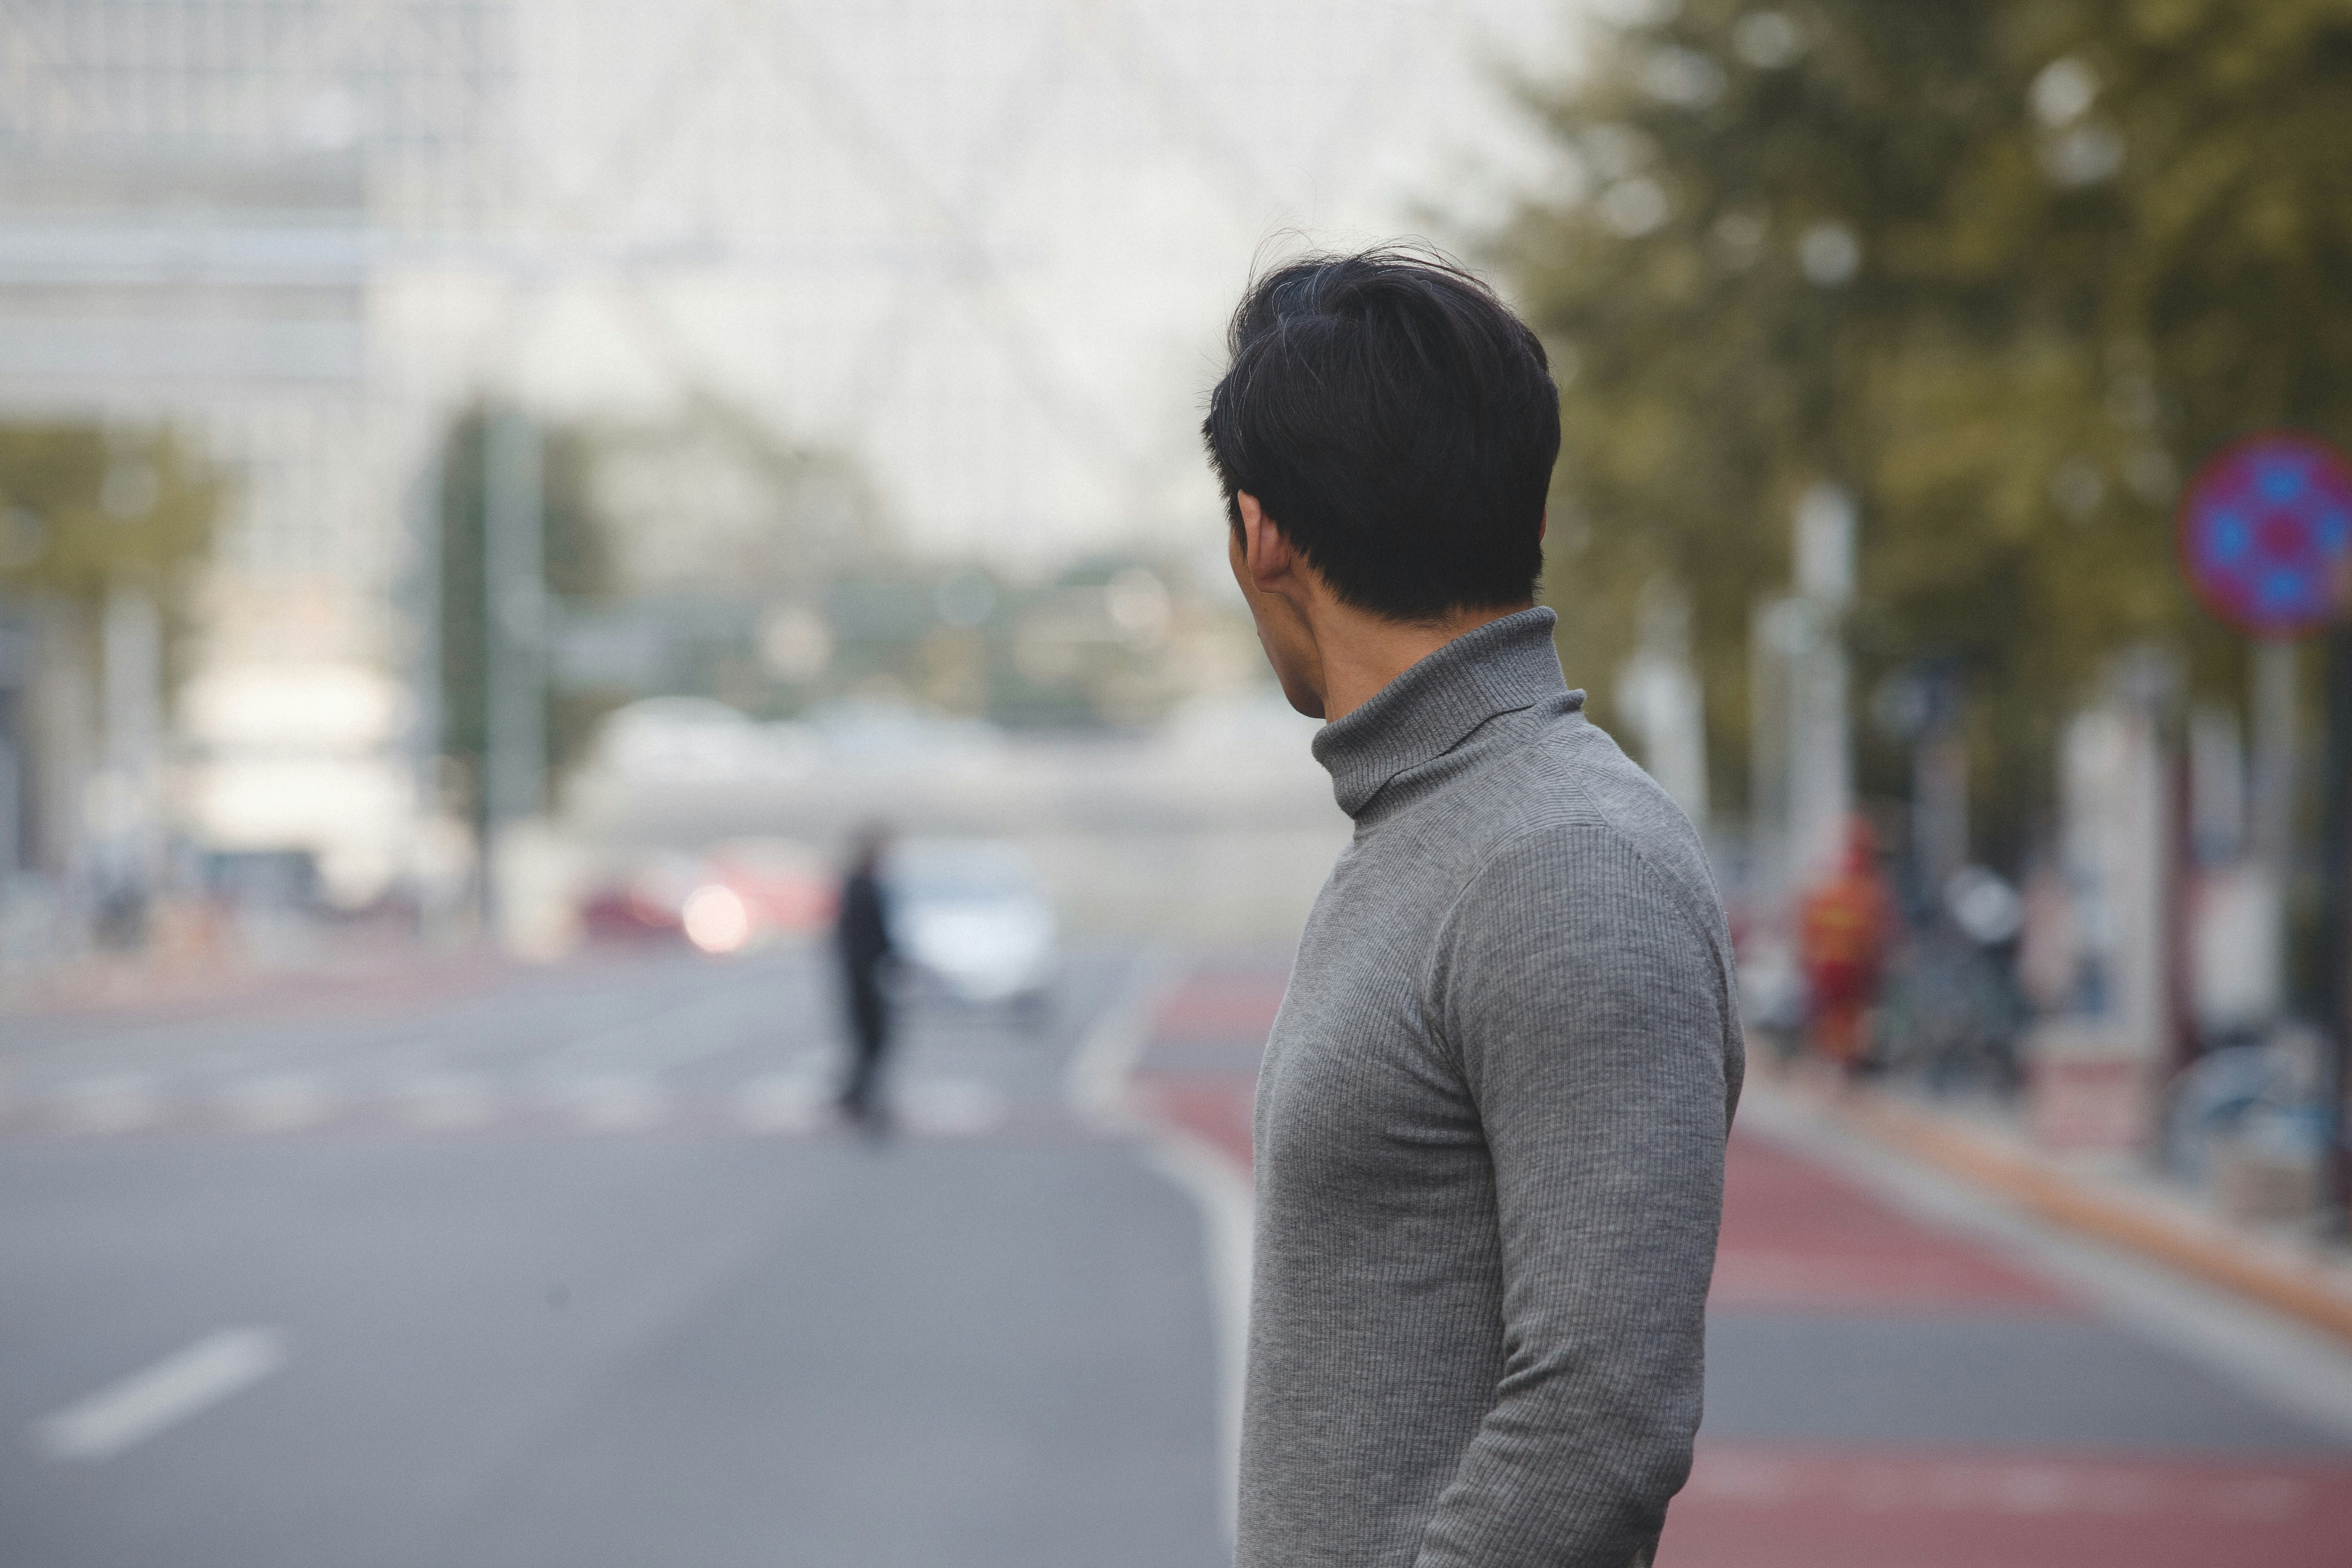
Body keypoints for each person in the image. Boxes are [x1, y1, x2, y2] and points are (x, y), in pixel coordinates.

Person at [1203, 248, 1744, 1568]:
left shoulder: (1566, 862)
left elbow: (1605, 1416)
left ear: (1261, 536)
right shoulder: (1436, 822)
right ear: (1532, 519)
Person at [834, 825, 896, 1131]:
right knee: (871, 1037)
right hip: (864, 975)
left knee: (874, 1039)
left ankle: (856, 1093)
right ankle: (856, 1094)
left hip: (868, 972)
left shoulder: (867, 883)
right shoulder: (859, 885)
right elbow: (855, 934)